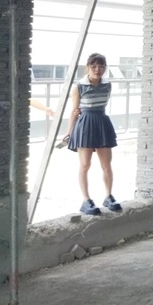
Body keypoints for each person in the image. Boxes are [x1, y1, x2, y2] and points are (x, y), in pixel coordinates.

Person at [62, 53, 121, 216]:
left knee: (106, 164)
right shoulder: (79, 86)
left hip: (102, 122)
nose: (97, 70)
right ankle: (86, 200)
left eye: (101, 66)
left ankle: (108, 196)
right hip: (85, 125)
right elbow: (74, 110)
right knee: (85, 164)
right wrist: (68, 131)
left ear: (105, 68)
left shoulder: (107, 85)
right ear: (87, 67)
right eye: (93, 66)